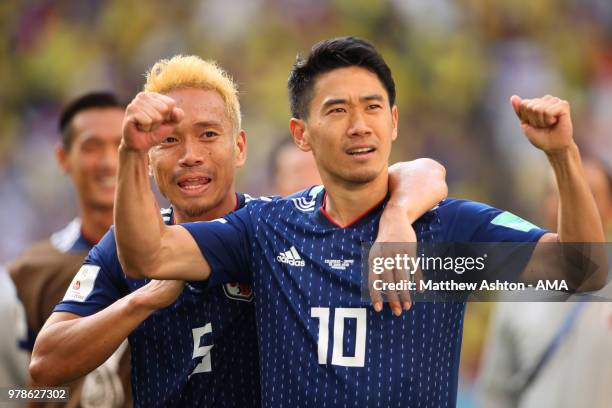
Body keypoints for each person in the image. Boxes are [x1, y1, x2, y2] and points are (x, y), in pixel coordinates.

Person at [113, 37, 605, 406]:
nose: (359, 125)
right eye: (338, 109)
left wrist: (562, 155)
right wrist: (135, 154)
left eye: (372, 107)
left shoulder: (447, 233)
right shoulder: (267, 230)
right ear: (300, 134)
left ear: (393, 121)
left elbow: (581, 270)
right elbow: (146, 254)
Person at [31, 55, 447, 407]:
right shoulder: (125, 247)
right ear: (148, 156)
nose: (191, 155)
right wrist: (142, 301)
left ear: (240, 147)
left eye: (209, 135)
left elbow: (422, 171)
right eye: (170, 140)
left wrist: (396, 216)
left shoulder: (276, 228)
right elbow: (45, 366)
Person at [7, 92, 130, 408]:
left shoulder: (184, 255)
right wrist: (61, 398)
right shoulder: (27, 273)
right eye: (91, 147)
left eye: (120, 146)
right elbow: (15, 393)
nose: (107, 161)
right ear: (63, 158)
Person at [477, 156, 612, 408]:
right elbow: (496, 391)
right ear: (544, 204)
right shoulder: (518, 286)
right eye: (558, 192)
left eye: (588, 193)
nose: (570, 203)